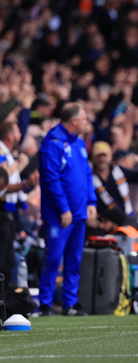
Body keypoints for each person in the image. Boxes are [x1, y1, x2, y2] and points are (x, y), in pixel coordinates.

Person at [38, 103, 97, 316]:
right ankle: (44, 303)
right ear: (74, 121)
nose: (86, 123)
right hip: (58, 216)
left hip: (79, 213)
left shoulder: (79, 144)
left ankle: (70, 303)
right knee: (53, 258)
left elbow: (87, 176)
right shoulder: (52, 144)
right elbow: (51, 179)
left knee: (74, 260)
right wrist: (63, 209)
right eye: (84, 119)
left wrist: (92, 202)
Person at [0, 122, 39, 282]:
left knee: (7, 261)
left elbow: (5, 184)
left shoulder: (7, 153)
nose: (20, 135)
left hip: (8, 214)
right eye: (17, 131)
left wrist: (24, 181)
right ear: (10, 136)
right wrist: (22, 180)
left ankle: (7, 302)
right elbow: (2, 184)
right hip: (1, 213)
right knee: (3, 262)